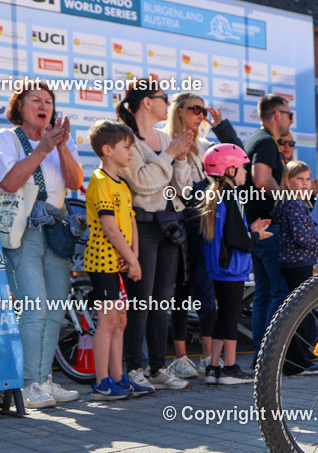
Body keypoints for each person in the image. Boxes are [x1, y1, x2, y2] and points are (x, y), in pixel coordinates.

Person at [0, 82, 84, 407]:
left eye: (49, 101)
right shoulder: (6, 138)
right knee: (34, 306)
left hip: (56, 229)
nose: (44, 106)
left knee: (54, 309)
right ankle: (28, 384)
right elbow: (9, 182)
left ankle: (45, 379)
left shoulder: (57, 142)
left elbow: (75, 182)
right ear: (19, 106)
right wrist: (42, 149)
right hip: (22, 229)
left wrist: (62, 146)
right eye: (36, 100)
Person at [116, 78, 196, 391]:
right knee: (141, 300)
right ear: (147, 102)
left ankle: (157, 367)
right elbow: (143, 183)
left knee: (163, 300)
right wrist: (169, 155)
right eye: (163, 98)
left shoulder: (166, 137)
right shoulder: (125, 138)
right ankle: (134, 366)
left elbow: (185, 189)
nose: (168, 103)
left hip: (169, 225)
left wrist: (178, 157)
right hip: (141, 226)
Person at [84, 120, 154, 400]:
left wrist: (134, 257)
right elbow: (110, 228)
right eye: (127, 148)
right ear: (107, 150)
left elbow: (131, 223)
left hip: (120, 263)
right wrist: (132, 260)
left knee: (120, 320)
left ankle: (118, 377)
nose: (132, 153)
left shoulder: (123, 185)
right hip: (103, 263)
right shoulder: (100, 181)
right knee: (108, 321)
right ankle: (102, 382)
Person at [200, 144, 270, 385]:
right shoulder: (230, 196)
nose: (245, 172)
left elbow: (228, 233)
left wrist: (249, 230)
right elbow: (236, 239)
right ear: (229, 170)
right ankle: (229, 367)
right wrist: (255, 237)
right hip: (231, 268)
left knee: (223, 316)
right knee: (231, 316)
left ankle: (213, 367)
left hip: (220, 267)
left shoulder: (218, 195)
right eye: (241, 168)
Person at [164, 93, 219, 379]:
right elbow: (180, 190)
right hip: (177, 224)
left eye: (203, 110)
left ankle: (209, 357)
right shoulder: (166, 141)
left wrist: (221, 127)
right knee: (180, 292)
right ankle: (181, 357)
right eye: (195, 109)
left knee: (207, 290)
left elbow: (225, 171)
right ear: (180, 111)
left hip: (204, 225)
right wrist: (180, 156)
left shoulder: (206, 145)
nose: (200, 115)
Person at [243, 94, 294, 355]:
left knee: (264, 292)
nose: (290, 121)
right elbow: (261, 179)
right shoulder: (265, 141)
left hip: (256, 226)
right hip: (267, 227)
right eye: (289, 115)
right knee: (279, 290)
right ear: (277, 115)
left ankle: (259, 353)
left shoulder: (254, 139)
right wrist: (286, 197)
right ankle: (271, 354)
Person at [273, 161, 318, 375]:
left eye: (308, 179)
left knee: (301, 310)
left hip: (296, 263)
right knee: (302, 312)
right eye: (299, 179)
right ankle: (298, 362)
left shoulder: (291, 202)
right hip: (298, 263)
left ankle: (301, 357)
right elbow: (301, 237)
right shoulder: (295, 204)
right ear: (288, 181)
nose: (305, 183)